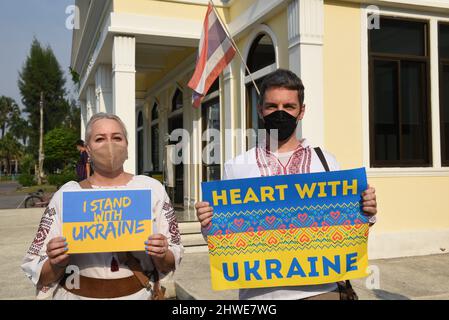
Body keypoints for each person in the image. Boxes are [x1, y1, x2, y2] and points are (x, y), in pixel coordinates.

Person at [195, 69, 377, 300]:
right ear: (260, 110)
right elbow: (219, 238)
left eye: (289, 107)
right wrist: (208, 222)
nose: (280, 113)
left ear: (301, 111)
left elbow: (349, 228)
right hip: (260, 295)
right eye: (272, 106)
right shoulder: (237, 166)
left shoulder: (327, 162)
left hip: (322, 291)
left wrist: (366, 211)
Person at [22, 113, 183, 300]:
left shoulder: (151, 190)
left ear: (127, 146)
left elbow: (172, 259)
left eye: (117, 137)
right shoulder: (67, 196)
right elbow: (38, 271)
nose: (110, 144)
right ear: (88, 150)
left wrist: (162, 254)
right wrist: (56, 262)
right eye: (100, 139)